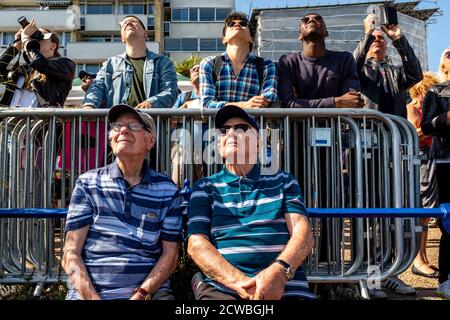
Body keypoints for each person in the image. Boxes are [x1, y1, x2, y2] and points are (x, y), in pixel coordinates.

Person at [187, 105, 315, 300]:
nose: (230, 132)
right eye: (224, 130)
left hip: (284, 284)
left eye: (241, 128)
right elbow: (196, 244)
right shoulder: (205, 187)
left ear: (259, 143)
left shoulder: (283, 180)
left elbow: (303, 234)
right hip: (224, 288)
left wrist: (278, 272)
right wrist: (242, 284)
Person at [62, 104, 182, 300]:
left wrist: (142, 294)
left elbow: (171, 254)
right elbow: (70, 253)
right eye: (117, 126)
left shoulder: (166, 190)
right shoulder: (88, 183)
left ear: (150, 141)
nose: (123, 130)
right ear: (111, 140)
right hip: (89, 294)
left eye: (134, 126)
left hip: (148, 294)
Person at [83, 15, 178, 109]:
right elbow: (97, 87)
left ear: (145, 34)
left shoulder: (163, 62)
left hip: (150, 121)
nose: (128, 23)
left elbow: (170, 92)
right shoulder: (110, 64)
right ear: (122, 38)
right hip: (117, 122)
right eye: (124, 24)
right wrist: (89, 105)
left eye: (133, 21)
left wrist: (151, 103)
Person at [277, 13, 363, 108]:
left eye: (318, 18)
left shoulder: (344, 60)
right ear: (299, 36)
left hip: (337, 123)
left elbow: (352, 102)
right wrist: (335, 102)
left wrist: (301, 104)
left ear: (326, 33)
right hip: (298, 123)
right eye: (305, 20)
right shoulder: (288, 62)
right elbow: (287, 104)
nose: (311, 20)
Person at [199, 11, 278, 109]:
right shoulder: (209, 63)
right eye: (231, 24)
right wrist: (244, 105)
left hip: (251, 124)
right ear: (224, 39)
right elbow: (206, 104)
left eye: (243, 24)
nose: (237, 24)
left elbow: (267, 102)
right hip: (216, 124)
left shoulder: (266, 65)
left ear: (251, 39)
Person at [421, 46, 450, 299]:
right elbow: (426, 126)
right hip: (445, 162)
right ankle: (445, 278)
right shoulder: (436, 91)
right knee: (449, 222)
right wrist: (445, 119)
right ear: (443, 65)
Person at [353, 14, 422, 117]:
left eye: (381, 38)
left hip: (395, 129)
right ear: (366, 43)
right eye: (373, 38)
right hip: (366, 127)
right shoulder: (361, 68)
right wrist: (368, 33)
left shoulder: (396, 72)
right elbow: (351, 69)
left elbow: (416, 74)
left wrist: (398, 38)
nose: (376, 40)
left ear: (386, 44)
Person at [407, 72, 440, 279]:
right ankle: (418, 260)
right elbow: (414, 133)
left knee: (428, 211)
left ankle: (424, 257)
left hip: (433, 158)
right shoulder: (413, 107)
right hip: (422, 160)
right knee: (423, 210)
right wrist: (436, 124)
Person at [0, 18, 75, 107]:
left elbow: (40, 63)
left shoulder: (66, 64)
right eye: (34, 37)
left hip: (43, 119)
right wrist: (17, 46)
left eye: (40, 37)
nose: (35, 40)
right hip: (11, 120)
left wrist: (27, 39)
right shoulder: (24, 70)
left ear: (53, 46)